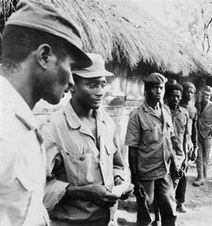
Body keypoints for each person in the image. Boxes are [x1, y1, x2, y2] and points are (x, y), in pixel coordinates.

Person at [0, 1, 92, 225]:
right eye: (70, 67)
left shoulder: (21, 121)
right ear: (44, 56)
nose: (72, 81)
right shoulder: (4, 124)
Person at [41, 53, 132, 226]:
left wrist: (120, 181)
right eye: (92, 85)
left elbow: (117, 164)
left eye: (103, 84)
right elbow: (37, 188)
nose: (100, 92)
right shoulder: (52, 128)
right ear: (72, 86)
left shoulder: (108, 123)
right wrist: (81, 192)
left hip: (108, 221)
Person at [125, 72, 177, 226]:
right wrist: (135, 180)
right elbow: (132, 150)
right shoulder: (137, 116)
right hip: (146, 173)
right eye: (154, 88)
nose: (159, 91)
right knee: (145, 214)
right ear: (146, 91)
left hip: (164, 170)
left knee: (170, 210)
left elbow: (170, 139)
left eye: (161, 88)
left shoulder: (166, 111)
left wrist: (174, 161)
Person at [166, 80, 190, 213]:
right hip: (165, 151)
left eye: (178, 96)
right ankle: (164, 205)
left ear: (181, 97)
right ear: (168, 97)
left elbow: (186, 134)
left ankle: (180, 203)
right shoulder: (163, 112)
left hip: (180, 151)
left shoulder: (184, 113)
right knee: (166, 178)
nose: (175, 99)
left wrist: (186, 155)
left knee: (182, 176)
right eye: (172, 96)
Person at [179, 82, 198, 162]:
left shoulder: (193, 109)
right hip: (178, 141)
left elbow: (194, 129)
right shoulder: (177, 107)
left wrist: (195, 146)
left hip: (188, 141)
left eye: (192, 92)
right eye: (187, 92)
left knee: (185, 165)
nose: (189, 94)